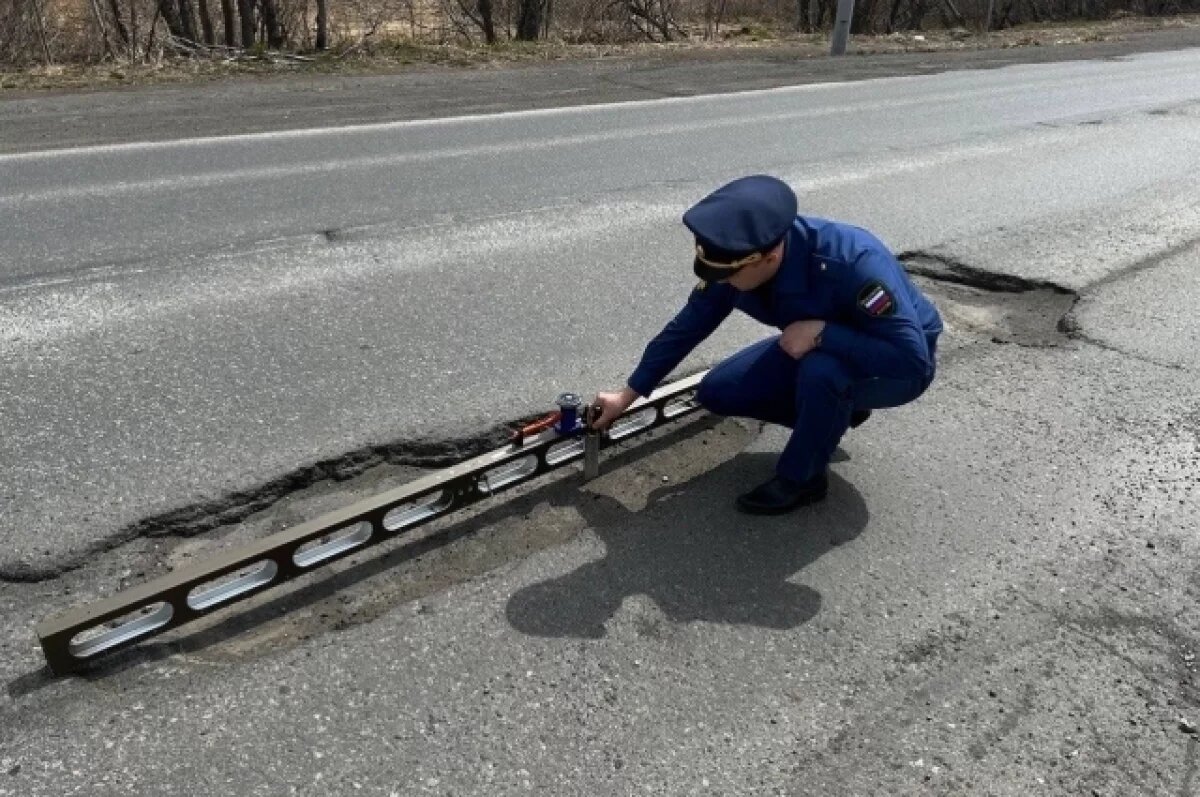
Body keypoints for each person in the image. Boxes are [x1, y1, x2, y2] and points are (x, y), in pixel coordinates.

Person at [591, 174, 943, 515]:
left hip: (892, 365)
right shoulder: (738, 257)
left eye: (729, 275)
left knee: (823, 372)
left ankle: (802, 478)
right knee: (718, 391)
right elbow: (688, 325)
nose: (723, 281)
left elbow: (914, 360)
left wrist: (823, 333)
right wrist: (628, 394)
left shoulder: (851, 262)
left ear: (769, 258)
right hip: (811, 345)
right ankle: (830, 417)